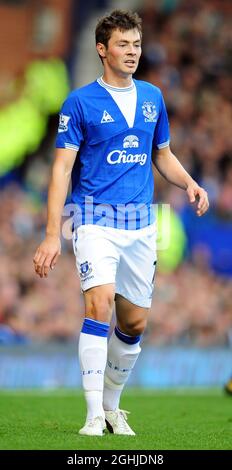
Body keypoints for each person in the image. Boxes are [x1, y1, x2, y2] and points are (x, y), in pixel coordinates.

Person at [33, 10, 209, 436]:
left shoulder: (152, 97)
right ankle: (93, 414)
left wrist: (189, 182)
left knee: (134, 324)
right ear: (102, 50)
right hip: (92, 218)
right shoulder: (79, 103)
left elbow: (161, 153)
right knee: (100, 303)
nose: (132, 52)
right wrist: (51, 232)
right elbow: (61, 169)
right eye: (123, 45)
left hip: (140, 224)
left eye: (136, 45)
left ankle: (112, 406)